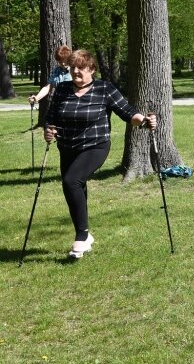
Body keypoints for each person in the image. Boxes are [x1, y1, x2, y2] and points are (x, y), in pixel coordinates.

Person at [44, 49, 157, 259]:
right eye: (72, 68)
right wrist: (49, 130)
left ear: (92, 69)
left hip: (95, 145)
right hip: (67, 147)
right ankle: (85, 236)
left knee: (71, 182)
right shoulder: (62, 89)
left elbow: (127, 111)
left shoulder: (104, 88)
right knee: (76, 188)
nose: (75, 72)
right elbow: (51, 117)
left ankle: (81, 236)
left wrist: (143, 121)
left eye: (80, 68)